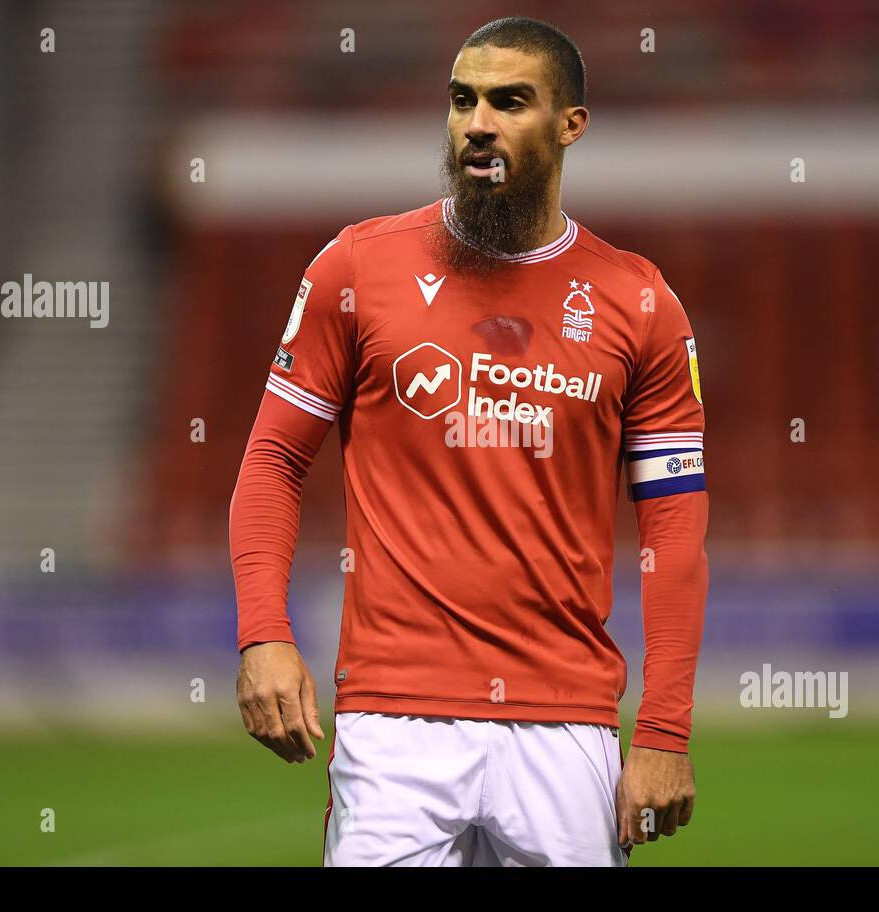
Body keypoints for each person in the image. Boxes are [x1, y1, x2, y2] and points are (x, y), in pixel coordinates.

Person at [229, 16, 708, 866]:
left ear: (571, 124)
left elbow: (675, 529)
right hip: (393, 719)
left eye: (509, 101)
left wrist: (665, 729)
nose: (477, 122)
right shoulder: (355, 269)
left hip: (567, 725)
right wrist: (265, 635)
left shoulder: (641, 305)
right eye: (462, 101)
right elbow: (272, 458)